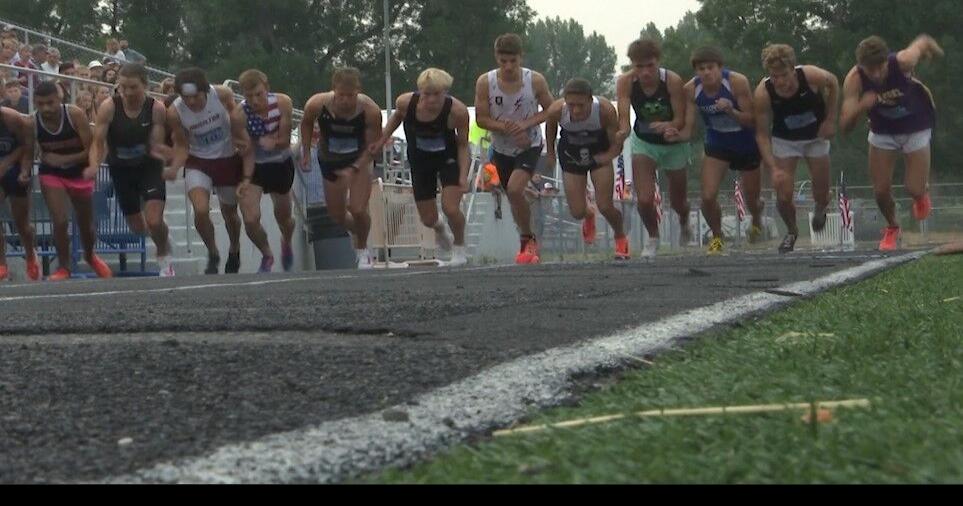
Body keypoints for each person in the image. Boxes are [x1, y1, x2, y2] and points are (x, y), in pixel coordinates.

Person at [840, 35, 943, 252]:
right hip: (883, 131)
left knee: (913, 187)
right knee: (880, 191)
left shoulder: (903, 61)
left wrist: (934, 52)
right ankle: (892, 227)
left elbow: (922, 42)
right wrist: (860, 106)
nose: (876, 74)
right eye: (870, 70)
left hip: (916, 125)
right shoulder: (855, 79)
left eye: (880, 68)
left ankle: (920, 194)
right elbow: (845, 126)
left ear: (887, 60)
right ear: (861, 67)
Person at [375, 68, 471, 267]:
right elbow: (396, 118)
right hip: (420, 161)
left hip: (447, 159)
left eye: (437, 94)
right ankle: (440, 228)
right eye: (427, 94)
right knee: (427, 219)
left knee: (450, 207)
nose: (432, 100)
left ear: (445, 93)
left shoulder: (457, 111)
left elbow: (462, 145)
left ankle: (460, 249)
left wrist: (463, 176)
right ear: (419, 92)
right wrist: (382, 138)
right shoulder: (405, 103)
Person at [87, 63, 175, 277]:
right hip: (121, 170)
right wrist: (93, 166)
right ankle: (162, 233)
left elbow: (156, 143)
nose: (127, 92)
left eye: (133, 87)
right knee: (138, 228)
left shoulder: (156, 108)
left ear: (144, 85)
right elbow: (98, 143)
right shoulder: (109, 106)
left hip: (149, 167)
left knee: (153, 219)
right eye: (123, 87)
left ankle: (164, 257)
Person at [474, 33, 554, 265]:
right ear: (496, 58)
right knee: (512, 194)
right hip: (501, 147)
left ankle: (528, 241)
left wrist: (525, 125)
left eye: (513, 61)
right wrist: (506, 128)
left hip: (529, 144)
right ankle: (526, 235)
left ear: (521, 58)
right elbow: (481, 118)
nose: (508, 66)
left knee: (515, 189)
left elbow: (552, 110)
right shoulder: (485, 82)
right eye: (503, 61)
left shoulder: (535, 80)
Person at [754, 44, 839, 254]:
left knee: (820, 191)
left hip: (815, 137)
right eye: (774, 76)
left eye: (784, 75)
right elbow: (762, 135)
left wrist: (829, 120)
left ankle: (821, 206)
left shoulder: (810, 75)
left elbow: (835, 84)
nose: (780, 82)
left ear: (793, 69)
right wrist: (773, 168)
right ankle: (792, 231)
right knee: (783, 194)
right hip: (786, 140)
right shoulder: (763, 92)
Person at [680, 47, 765, 255]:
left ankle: (756, 219)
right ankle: (717, 236)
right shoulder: (691, 89)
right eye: (701, 69)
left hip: (745, 140)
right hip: (717, 140)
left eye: (711, 68)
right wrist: (677, 133)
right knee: (707, 197)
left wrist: (730, 110)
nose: (706, 73)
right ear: (696, 71)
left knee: (751, 197)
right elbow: (689, 126)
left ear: (720, 68)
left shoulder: (737, 82)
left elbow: (752, 120)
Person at [23, 82, 112, 280]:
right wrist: (24, 172)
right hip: (51, 174)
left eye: (50, 103)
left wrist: (81, 163)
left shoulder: (74, 114)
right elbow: (29, 154)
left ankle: (90, 256)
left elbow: (91, 148)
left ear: (60, 98)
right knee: (60, 220)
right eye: (40, 104)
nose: (46, 108)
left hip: (79, 173)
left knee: (86, 224)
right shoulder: (32, 122)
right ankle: (64, 267)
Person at [163, 68, 246, 274]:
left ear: (206, 91)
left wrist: (242, 143)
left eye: (196, 97)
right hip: (199, 160)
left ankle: (234, 248)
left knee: (230, 213)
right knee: (200, 210)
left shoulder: (222, 95)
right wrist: (174, 166)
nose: (191, 103)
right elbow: (182, 145)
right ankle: (213, 252)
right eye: (186, 98)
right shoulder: (175, 111)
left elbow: (237, 122)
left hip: (227, 157)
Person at [617, 39, 694, 258]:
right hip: (645, 142)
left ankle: (684, 219)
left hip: (673, 143)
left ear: (658, 62)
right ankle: (653, 237)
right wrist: (621, 132)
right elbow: (623, 117)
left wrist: (670, 127)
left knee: (679, 200)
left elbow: (679, 117)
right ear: (632, 65)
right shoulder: (625, 82)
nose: (645, 72)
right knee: (644, 198)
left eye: (650, 65)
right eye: (639, 67)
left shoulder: (671, 80)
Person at [299, 67, 382, 270]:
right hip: (331, 160)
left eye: (350, 95)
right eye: (341, 95)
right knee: (337, 214)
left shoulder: (370, 111)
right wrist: (306, 153)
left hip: (359, 159)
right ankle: (359, 231)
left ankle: (363, 252)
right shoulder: (317, 104)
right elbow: (306, 123)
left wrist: (354, 167)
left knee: (357, 208)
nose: (345, 100)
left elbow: (373, 148)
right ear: (333, 90)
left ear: (358, 91)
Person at [545, 78, 630, 260]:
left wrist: (607, 157)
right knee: (576, 212)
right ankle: (588, 214)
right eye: (571, 105)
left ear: (591, 100)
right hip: (571, 154)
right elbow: (550, 132)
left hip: (599, 153)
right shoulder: (556, 110)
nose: (575, 110)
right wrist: (550, 154)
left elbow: (617, 145)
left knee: (605, 205)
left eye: (581, 106)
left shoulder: (604, 110)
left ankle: (620, 236)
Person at [234, 69, 297, 273]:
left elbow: (286, 140)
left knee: (284, 217)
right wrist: (245, 178)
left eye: (259, 94)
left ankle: (286, 241)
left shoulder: (282, 103)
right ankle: (267, 254)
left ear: (267, 89)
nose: (254, 100)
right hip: (257, 166)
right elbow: (248, 151)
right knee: (250, 219)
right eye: (249, 96)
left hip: (280, 163)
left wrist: (274, 142)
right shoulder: (240, 114)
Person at [0, 104, 40, 281]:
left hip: (15, 170)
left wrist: (22, 170)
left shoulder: (12, 119)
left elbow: (27, 146)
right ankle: (1, 263)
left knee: (22, 224)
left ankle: (30, 253)